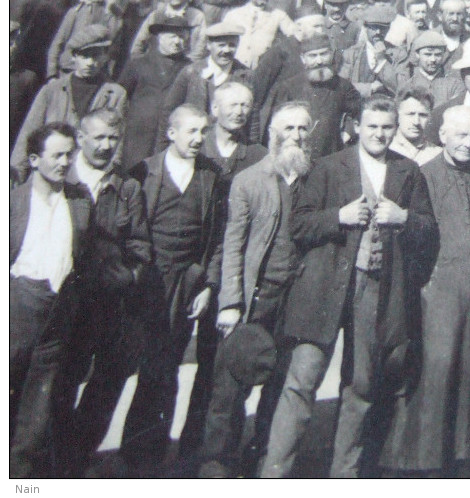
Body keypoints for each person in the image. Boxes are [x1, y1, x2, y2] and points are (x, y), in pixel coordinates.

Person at [262, 96, 437, 478]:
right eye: (371, 126)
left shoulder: (408, 171)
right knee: (301, 381)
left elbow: (428, 229)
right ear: (357, 126)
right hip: (323, 288)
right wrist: (337, 217)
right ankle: (273, 475)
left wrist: (403, 217)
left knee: (360, 386)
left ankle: (344, 476)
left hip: (375, 288)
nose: (379, 134)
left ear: (395, 128)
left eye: (386, 127)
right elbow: (298, 225)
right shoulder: (327, 167)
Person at [379, 105, 470, 477]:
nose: (469, 143)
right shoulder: (423, 176)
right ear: (442, 135)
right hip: (439, 291)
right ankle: (423, 462)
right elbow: (415, 237)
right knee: (438, 371)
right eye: (461, 135)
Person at [196, 103, 314, 478]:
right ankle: (216, 465)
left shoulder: (317, 178)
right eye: (289, 127)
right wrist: (231, 302)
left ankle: (262, 460)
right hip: (255, 297)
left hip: (295, 298)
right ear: (273, 134)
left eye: (303, 129)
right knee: (229, 387)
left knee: (279, 386)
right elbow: (233, 245)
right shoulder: (249, 180)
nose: (296, 135)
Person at [117, 105, 224, 476]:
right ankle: (126, 455)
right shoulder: (144, 172)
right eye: (190, 132)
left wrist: (207, 284)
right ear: (171, 133)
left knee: (167, 368)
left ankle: (151, 457)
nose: (197, 139)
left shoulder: (211, 175)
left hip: (185, 282)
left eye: (203, 132)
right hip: (146, 280)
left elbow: (217, 239)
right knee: (133, 365)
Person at [52, 110, 151, 478]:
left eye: (113, 139)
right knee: (60, 382)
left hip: (108, 304)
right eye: (98, 138)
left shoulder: (127, 188)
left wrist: (125, 278)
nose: (106, 146)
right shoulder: (63, 180)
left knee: (106, 384)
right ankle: (53, 457)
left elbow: (140, 247)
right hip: (63, 305)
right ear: (81, 138)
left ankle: (78, 459)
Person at [10, 123, 92, 478]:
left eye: (69, 154)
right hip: (17, 307)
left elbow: (84, 256)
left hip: (59, 309)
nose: (64, 162)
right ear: (33, 159)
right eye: (56, 155)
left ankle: (21, 473)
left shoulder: (78, 200)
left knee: (38, 402)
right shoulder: (13, 200)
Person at [12, 25, 128, 183]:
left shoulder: (115, 94)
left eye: (95, 56)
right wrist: (16, 173)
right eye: (84, 56)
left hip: (89, 175)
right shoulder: (52, 90)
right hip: (50, 171)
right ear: (74, 57)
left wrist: (110, 175)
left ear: (105, 56)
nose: (90, 62)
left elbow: (117, 143)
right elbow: (29, 132)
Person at [260, 31, 362, 161]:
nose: (319, 61)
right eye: (312, 56)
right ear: (303, 58)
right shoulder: (288, 87)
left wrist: (348, 132)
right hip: (297, 157)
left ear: (331, 54)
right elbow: (275, 126)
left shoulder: (343, 86)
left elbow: (359, 113)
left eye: (324, 54)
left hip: (331, 158)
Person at [161, 23, 259, 147]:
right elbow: (169, 111)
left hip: (230, 145)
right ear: (208, 45)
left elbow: (253, 119)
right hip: (193, 143)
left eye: (232, 45)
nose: (226, 50)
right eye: (221, 45)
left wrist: (252, 149)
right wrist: (164, 148)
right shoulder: (191, 72)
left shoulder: (246, 76)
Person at [119, 14, 194, 169]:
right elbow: (121, 96)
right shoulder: (138, 64)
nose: (177, 41)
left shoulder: (189, 68)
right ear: (160, 37)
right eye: (173, 36)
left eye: (181, 37)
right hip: (138, 135)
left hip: (170, 135)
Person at [221, 0, 298, 70]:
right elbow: (221, 39)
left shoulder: (277, 15)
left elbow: (296, 34)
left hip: (261, 69)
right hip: (234, 68)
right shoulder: (234, 15)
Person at [201, 82, 267, 190]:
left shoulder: (259, 155)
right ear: (215, 108)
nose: (238, 112)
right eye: (233, 105)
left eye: (244, 105)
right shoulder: (198, 149)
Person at [131, 0, 207, 62]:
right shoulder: (156, 15)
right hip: (159, 64)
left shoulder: (197, 16)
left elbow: (200, 46)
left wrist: (189, 65)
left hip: (184, 63)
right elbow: (140, 41)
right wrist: (138, 62)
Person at [389, 87, 443, 165]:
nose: (416, 122)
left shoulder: (438, 155)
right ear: (397, 115)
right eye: (410, 114)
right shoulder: (385, 150)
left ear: (430, 118)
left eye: (423, 115)